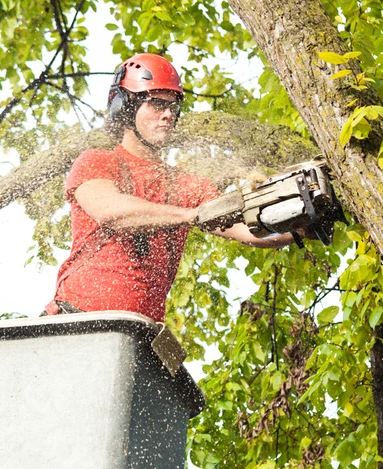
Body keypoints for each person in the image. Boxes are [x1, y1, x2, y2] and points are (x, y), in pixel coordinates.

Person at [45, 53, 298, 322]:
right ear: (126, 108)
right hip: (76, 322)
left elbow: (248, 230)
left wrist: (299, 227)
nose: (167, 114)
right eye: (156, 104)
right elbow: (110, 211)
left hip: (140, 332)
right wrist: (188, 215)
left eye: (172, 107)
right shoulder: (99, 161)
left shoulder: (188, 186)